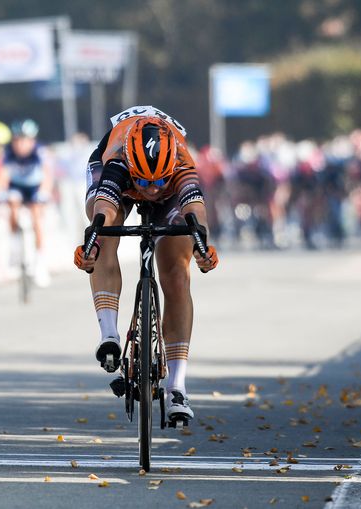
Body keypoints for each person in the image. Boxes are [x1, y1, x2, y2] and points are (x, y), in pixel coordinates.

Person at [73, 106, 219, 424]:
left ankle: (177, 387)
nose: (151, 190)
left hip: (170, 182)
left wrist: (201, 246)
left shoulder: (181, 162)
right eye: (145, 182)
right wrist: (92, 244)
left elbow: (196, 213)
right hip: (117, 174)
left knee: (177, 273)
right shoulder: (118, 161)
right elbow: (104, 213)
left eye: (158, 183)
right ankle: (109, 334)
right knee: (104, 238)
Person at [0, 119, 53, 287]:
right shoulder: (8, 152)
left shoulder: (40, 151)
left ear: (32, 141)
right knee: (12, 204)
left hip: (35, 187)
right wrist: (1, 192)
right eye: (16, 141)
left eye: (24, 141)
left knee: (37, 216)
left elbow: (48, 175)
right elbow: (3, 175)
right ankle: (15, 246)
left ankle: (40, 262)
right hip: (17, 185)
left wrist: (45, 193)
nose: (20, 145)